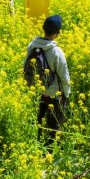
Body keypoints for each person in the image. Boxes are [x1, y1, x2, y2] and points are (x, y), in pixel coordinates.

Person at [25, 14, 70, 144]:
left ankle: (35, 147)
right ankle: (50, 152)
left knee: (36, 124)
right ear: (58, 33)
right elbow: (64, 76)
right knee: (54, 128)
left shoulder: (32, 46)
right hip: (53, 94)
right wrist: (66, 94)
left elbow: (25, 68)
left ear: (43, 28)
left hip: (36, 92)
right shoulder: (57, 51)